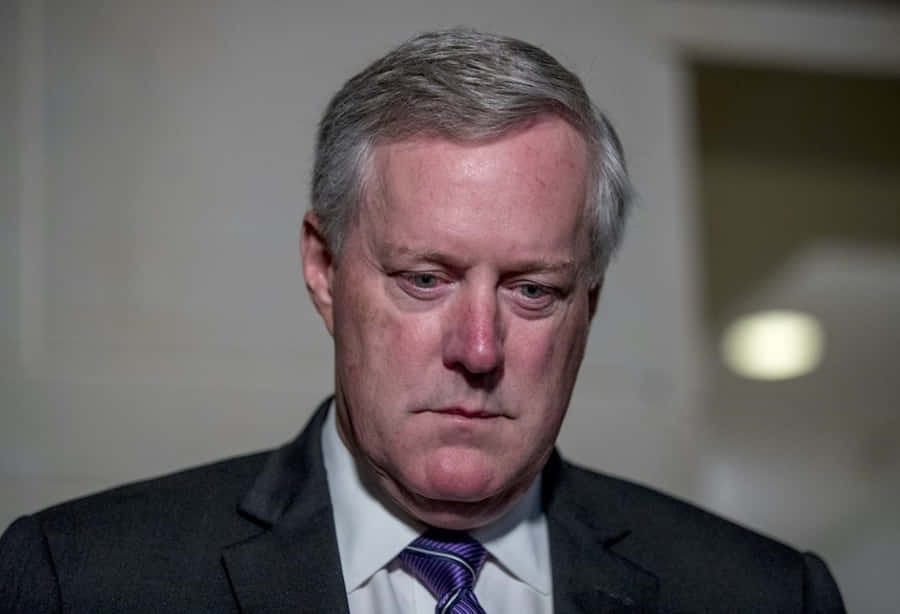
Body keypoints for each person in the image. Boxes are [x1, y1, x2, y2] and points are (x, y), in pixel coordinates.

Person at [0, 28, 844, 613]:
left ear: (591, 304)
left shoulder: (764, 595)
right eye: (424, 279)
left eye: (533, 292)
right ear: (324, 272)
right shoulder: (82, 579)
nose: (478, 350)